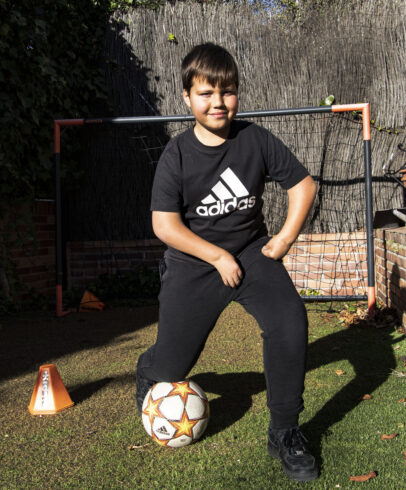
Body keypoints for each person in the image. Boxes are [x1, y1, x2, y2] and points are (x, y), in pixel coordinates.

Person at [136, 43, 318, 482]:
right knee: (170, 370)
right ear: (186, 96)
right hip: (194, 263)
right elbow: (165, 225)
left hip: (253, 254)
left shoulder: (254, 139)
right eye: (206, 93)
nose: (218, 103)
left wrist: (284, 238)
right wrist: (216, 256)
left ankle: (285, 433)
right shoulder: (176, 155)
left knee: (290, 323)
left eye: (228, 91)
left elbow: (303, 185)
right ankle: (150, 365)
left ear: (237, 93)